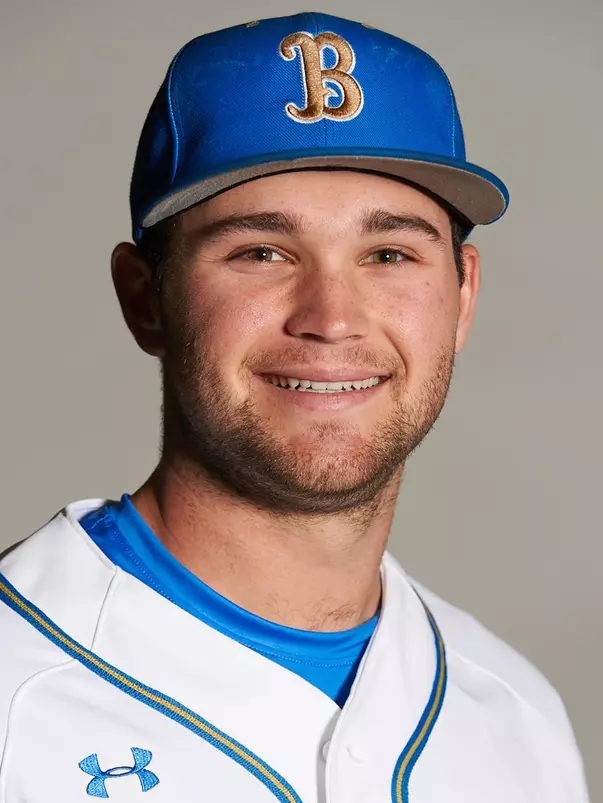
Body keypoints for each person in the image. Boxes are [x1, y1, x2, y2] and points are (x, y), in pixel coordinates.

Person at [0, 11, 590, 803]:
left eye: (389, 254)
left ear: (462, 295)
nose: (331, 316)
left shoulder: (520, 719)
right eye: (260, 251)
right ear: (145, 298)